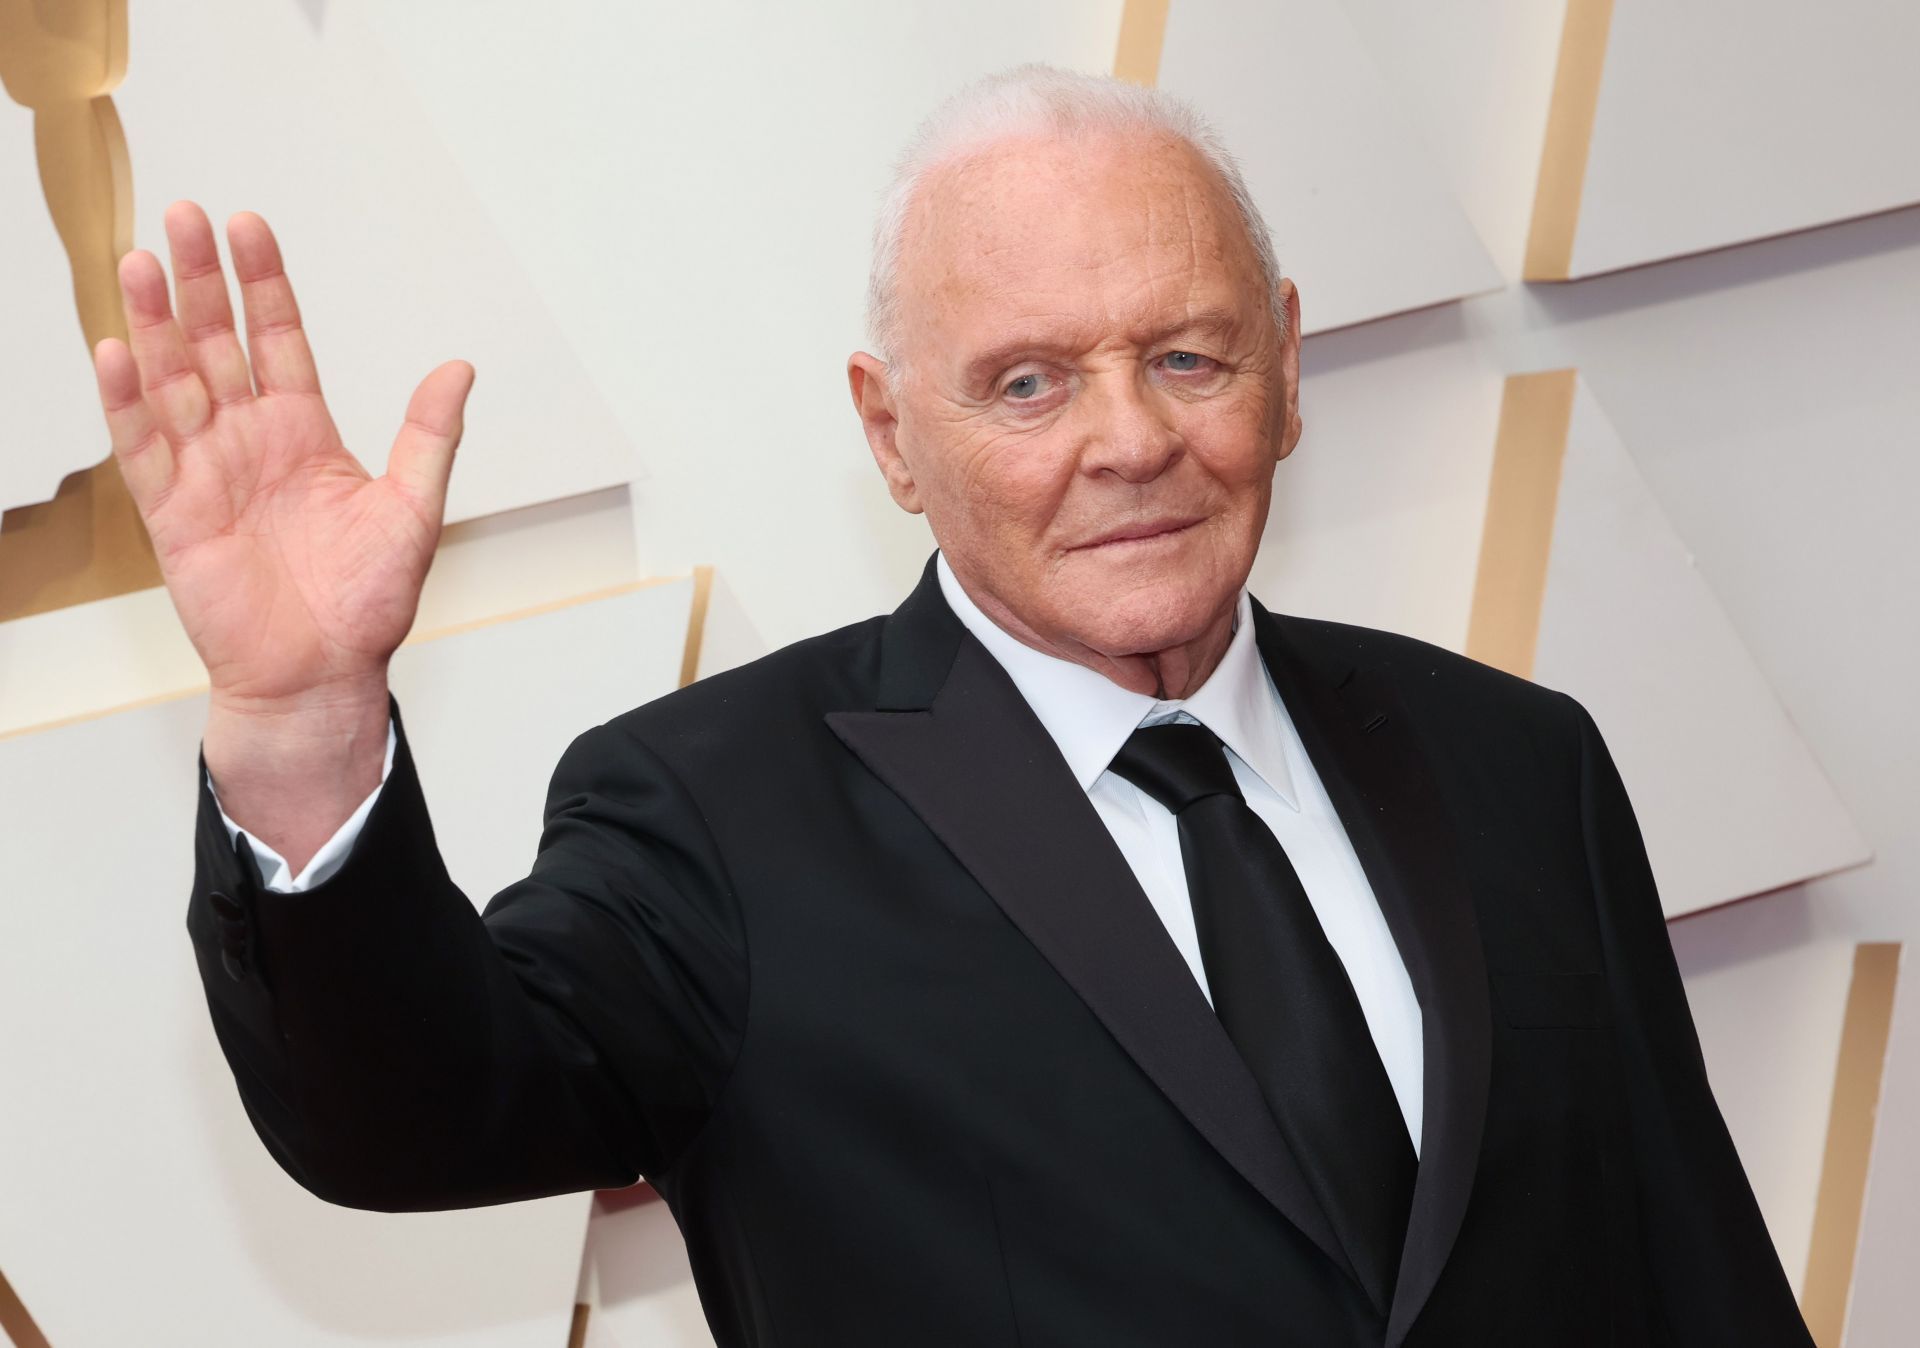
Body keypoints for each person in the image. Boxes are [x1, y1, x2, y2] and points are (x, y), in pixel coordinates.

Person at [92, 65, 1812, 1347]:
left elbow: (1695, 1274)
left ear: (1286, 367)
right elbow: (413, 1111)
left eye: (1189, 354)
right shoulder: (713, 813)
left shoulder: (1520, 761)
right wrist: (304, 720)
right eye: (1027, 382)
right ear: (892, 433)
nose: (1128, 439)